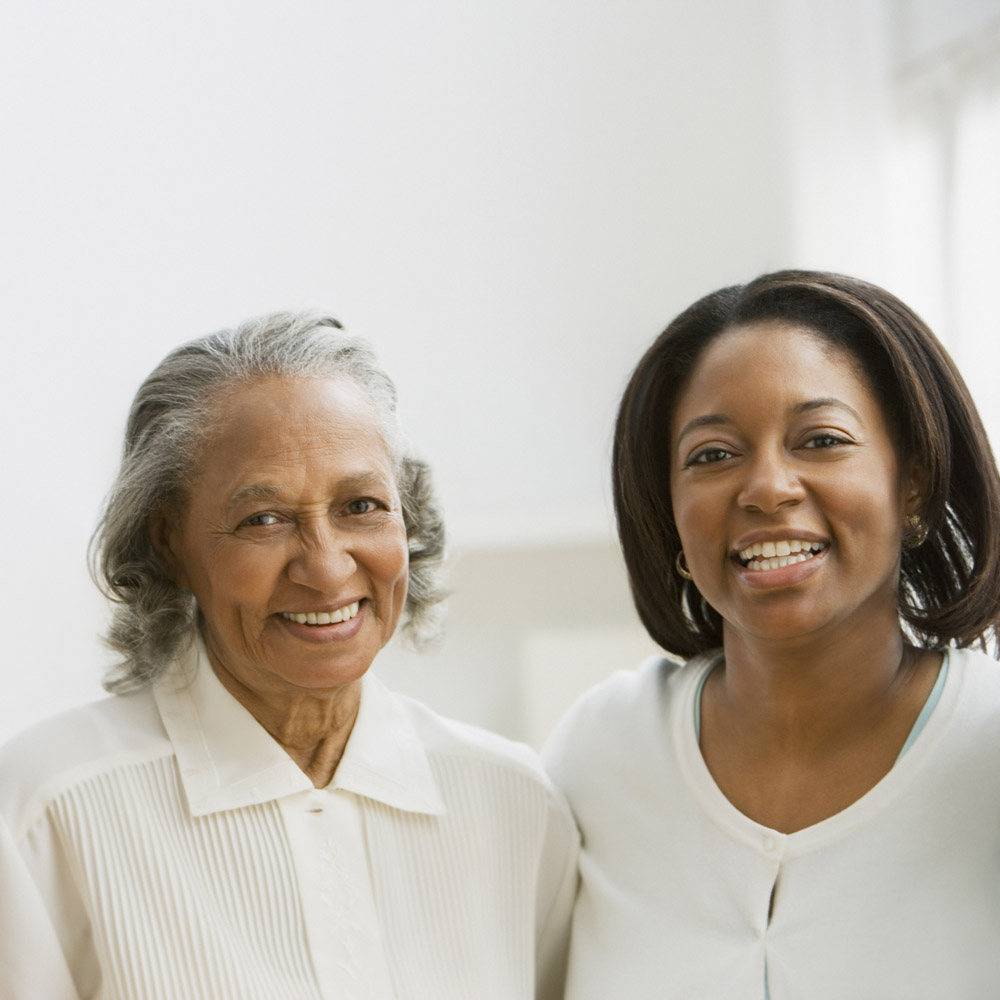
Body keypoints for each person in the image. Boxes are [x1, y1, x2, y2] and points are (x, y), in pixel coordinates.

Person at [0, 312, 577, 1000]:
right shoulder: (43, 812)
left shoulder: (514, 802)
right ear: (168, 543)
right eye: (263, 519)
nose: (328, 569)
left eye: (361, 505)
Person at [543, 270, 1000, 999]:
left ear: (912, 483)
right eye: (713, 455)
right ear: (669, 513)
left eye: (820, 440)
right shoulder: (602, 750)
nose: (767, 488)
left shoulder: (987, 751)